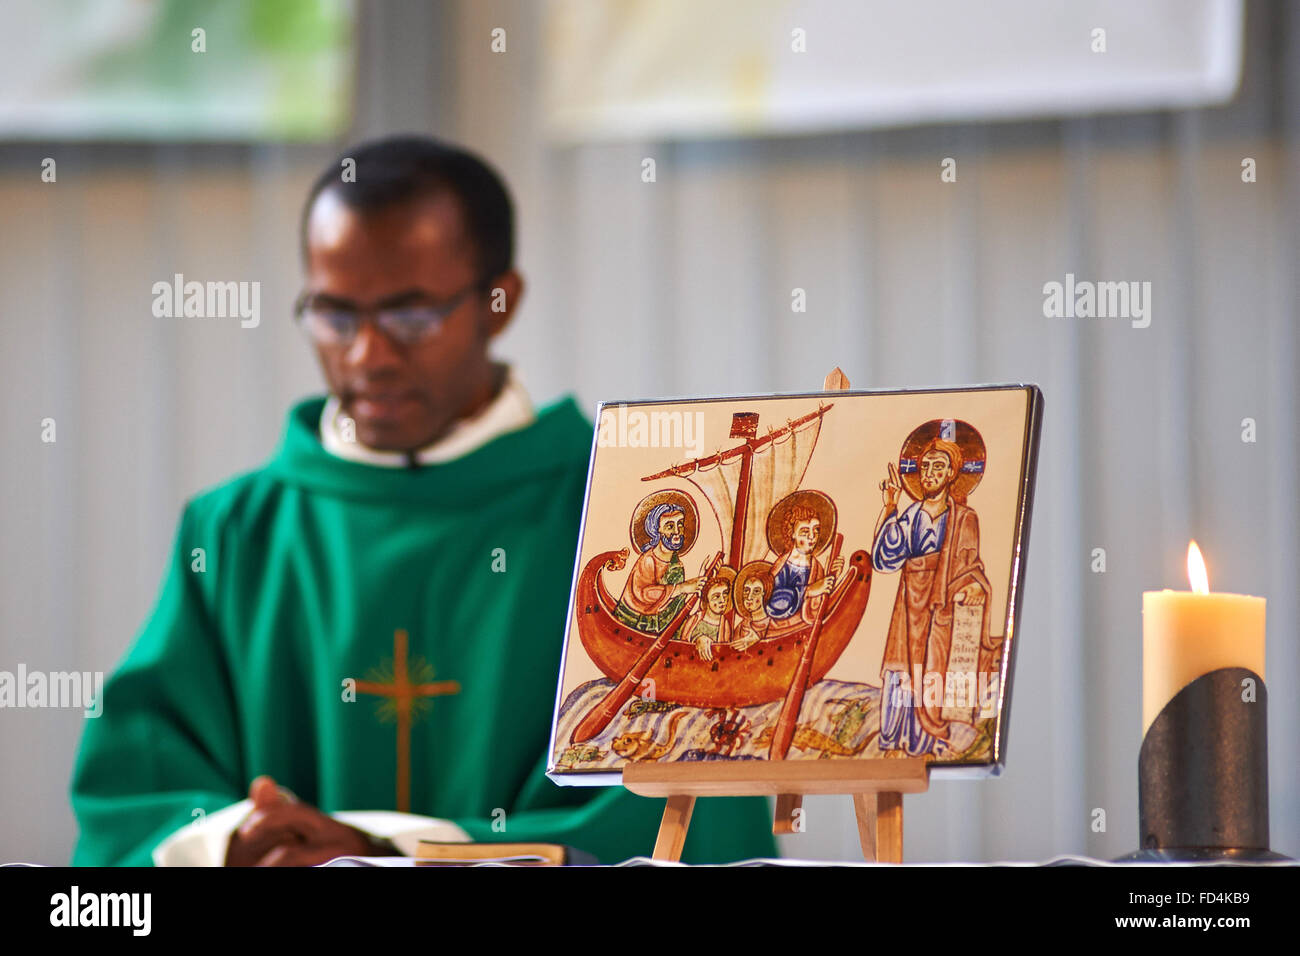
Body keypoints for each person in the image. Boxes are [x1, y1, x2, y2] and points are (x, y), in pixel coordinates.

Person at [69, 135, 777, 866]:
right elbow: (139, 791)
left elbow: (692, 785)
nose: (368, 355)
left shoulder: (629, 513)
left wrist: (391, 848)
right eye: (335, 317)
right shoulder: (233, 533)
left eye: (410, 319)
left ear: (500, 304)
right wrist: (232, 842)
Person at [871, 439, 993, 757]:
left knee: (931, 670)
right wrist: (890, 506)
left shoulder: (965, 518)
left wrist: (972, 586)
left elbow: (971, 567)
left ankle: (925, 739)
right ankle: (894, 739)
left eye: (938, 467)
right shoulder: (911, 515)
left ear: (952, 473)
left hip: (940, 606)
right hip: (909, 599)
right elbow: (885, 559)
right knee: (902, 670)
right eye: (925, 466)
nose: (929, 473)